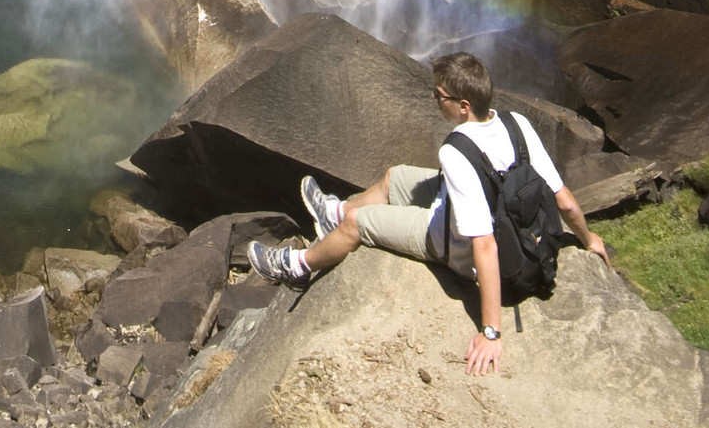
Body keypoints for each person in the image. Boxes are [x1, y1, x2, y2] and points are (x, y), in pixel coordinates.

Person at [247, 50, 610, 378]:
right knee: (394, 177)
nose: (434, 100)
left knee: (357, 225)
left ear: (463, 105)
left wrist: (491, 332)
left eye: (439, 96)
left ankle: (298, 266)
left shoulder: (456, 152)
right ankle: (335, 212)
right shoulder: (517, 124)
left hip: (451, 245)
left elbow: (483, 245)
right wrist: (588, 238)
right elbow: (565, 201)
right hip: (498, 213)